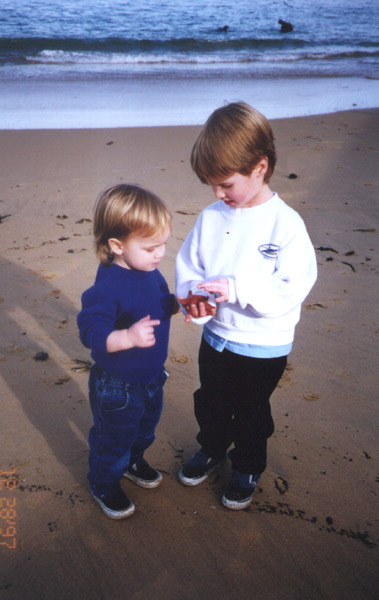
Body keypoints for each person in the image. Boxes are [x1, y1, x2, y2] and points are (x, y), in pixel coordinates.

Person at [175, 102, 317, 510]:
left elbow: (292, 286)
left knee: (252, 412)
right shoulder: (211, 217)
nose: (218, 194)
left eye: (225, 184)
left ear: (259, 167)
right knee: (212, 401)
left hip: (263, 344)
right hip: (217, 337)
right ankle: (211, 448)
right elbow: (191, 264)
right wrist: (193, 298)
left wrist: (237, 290)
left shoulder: (285, 225)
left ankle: (248, 466)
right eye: (211, 186)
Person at [78, 183, 178, 519]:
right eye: (151, 247)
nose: (160, 253)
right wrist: (127, 338)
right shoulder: (109, 285)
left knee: (145, 428)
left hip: (151, 376)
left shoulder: (148, 270)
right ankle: (104, 481)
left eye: (163, 244)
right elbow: (90, 330)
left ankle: (134, 460)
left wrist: (180, 304)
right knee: (112, 438)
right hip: (118, 383)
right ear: (117, 245)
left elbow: (158, 303)